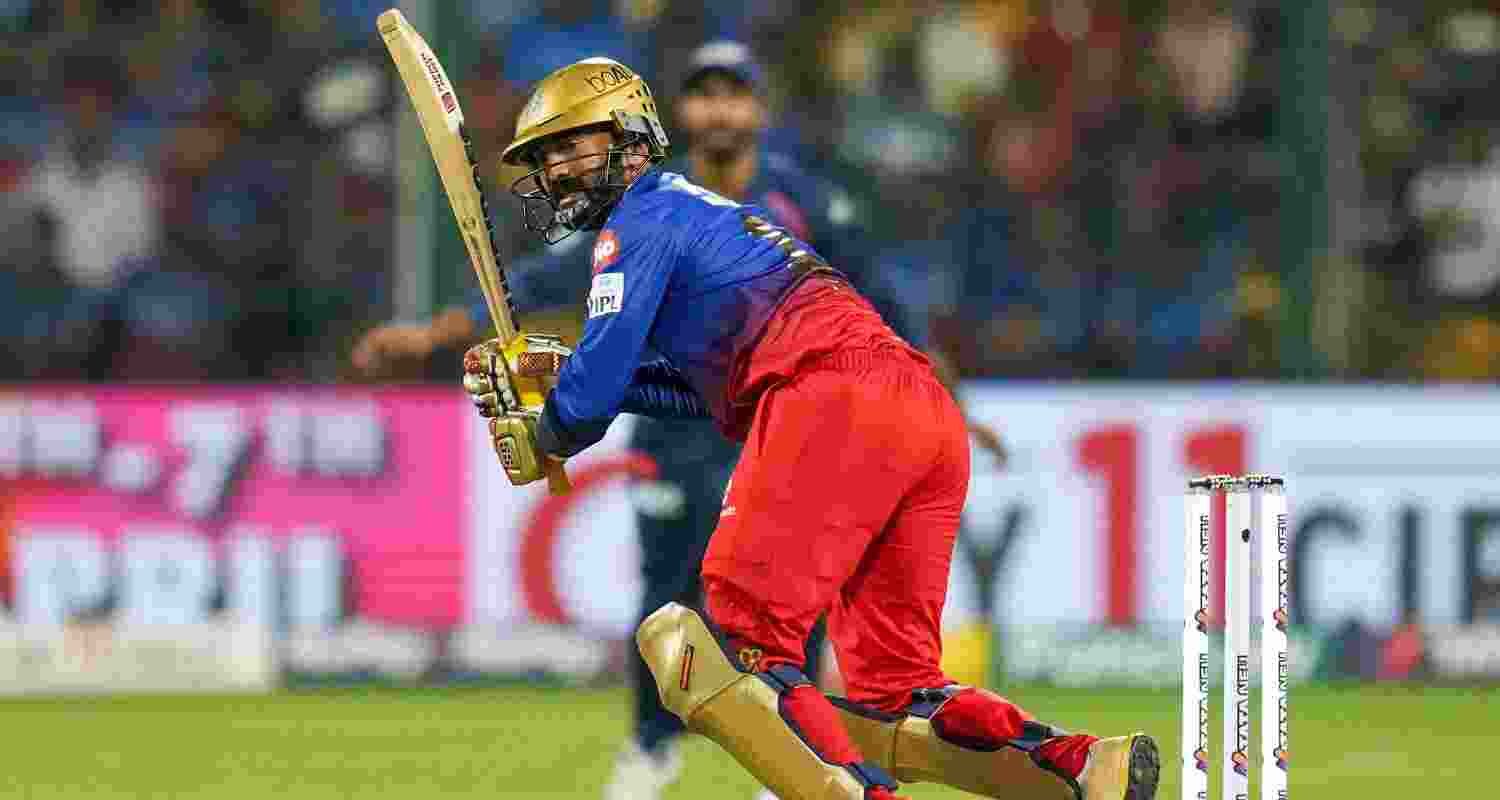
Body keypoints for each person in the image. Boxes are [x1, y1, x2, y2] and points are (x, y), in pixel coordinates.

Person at [461, 57, 1158, 800]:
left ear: (631, 137)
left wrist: (545, 427)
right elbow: (704, 392)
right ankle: (1083, 767)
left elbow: (587, 403)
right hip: (916, 411)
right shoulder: (690, 213)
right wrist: (566, 382)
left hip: (832, 401)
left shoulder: (637, 224)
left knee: (720, 645)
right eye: (543, 158)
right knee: (891, 693)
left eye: (569, 147)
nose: (555, 170)